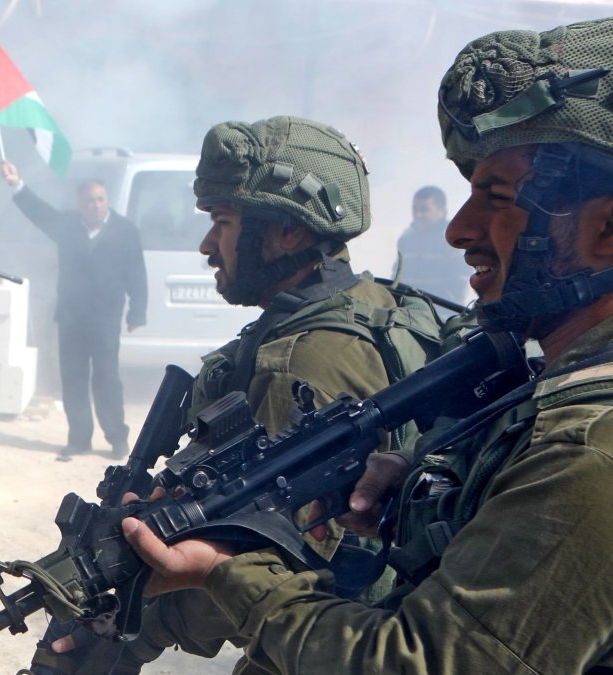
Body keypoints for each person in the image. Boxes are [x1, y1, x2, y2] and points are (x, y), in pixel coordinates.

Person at [118, 18, 613, 674]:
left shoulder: (609, 453)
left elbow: (418, 663)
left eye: (497, 197)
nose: (458, 229)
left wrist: (226, 571)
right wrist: (420, 496)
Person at [31, 116, 444, 674]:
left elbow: (274, 564)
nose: (206, 245)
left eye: (222, 222)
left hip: (338, 643)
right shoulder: (375, 304)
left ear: (288, 232)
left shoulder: (299, 364)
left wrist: (130, 626)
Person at [0, 161, 147, 460]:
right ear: (80, 203)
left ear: (107, 201)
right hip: (70, 317)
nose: (95, 205)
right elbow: (39, 213)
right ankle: (79, 439)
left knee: (106, 378)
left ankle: (117, 438)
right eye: (89, 200)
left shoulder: (125, 231)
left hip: (105, 318)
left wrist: (137, 313)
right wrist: (17, 183)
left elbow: (137, 274)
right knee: (73, 379)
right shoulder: (67, 225)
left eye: (100, 199)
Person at [391, 185, 467, 305]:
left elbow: (460, 283)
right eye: (415, 209)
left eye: (425, 209)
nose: (418, 215)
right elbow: (396, 276)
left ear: (442, 212)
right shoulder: (405, 240)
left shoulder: (453, 240)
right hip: (406, 311)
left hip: (442, 315)